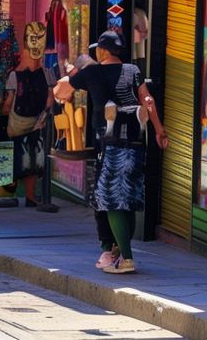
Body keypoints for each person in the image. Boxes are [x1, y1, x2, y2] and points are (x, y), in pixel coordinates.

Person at [54, 31, 168, 275]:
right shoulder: (132, 70)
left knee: (110, 199)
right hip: (137, 143)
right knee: (128, 197)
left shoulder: (92, 72)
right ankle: (118, 251)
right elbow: (148, 100)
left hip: (110, 144)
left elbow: (62, 90)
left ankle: (125, 257)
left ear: (103, 51)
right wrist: (159, 129)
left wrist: (66, 81)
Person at [3, 22, 56, 207]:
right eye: (33, 39)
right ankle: (18, 193)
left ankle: (30, 196)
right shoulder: (15, 75)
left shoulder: (46, 73)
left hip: (34, 121)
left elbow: (50, 98)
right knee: (21, 157)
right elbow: (10, 101)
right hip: (19, 121)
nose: (36, 44)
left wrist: (43, 117)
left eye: (39, 39)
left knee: (33, 159)